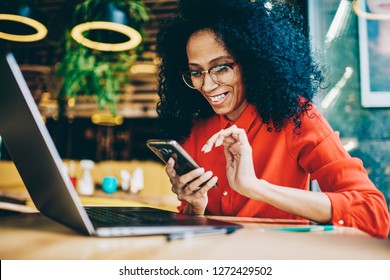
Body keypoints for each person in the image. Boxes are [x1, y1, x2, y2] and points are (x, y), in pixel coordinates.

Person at [155, 0, 390, 238]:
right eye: (196, 72)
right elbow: (197, 230)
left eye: (221, 67)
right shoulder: (195, 128)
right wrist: (195, 208)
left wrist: (255, 187)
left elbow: (374, 215)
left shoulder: (294, 117)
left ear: (252, 62)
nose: (206, 84)